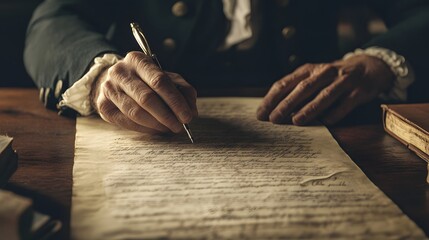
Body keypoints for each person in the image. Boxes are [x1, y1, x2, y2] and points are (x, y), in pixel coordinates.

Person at [24, 0, 429, 134]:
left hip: (317, 121)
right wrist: (100, 73)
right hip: (158, 124)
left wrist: (377, 62)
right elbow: (53, 17)